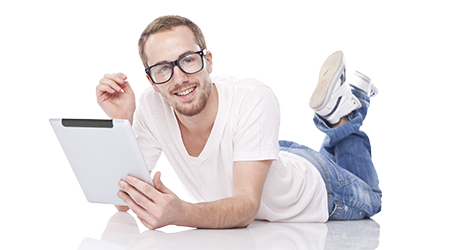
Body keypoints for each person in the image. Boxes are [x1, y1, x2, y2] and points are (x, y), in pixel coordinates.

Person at [96, 15, 382, 230]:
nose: (179, 77)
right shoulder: (149, 105)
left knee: (373, 199)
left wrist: (180, 212)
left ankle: (342, 115)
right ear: (151, 80)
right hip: (268, 155)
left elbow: (246, 207)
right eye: (163, 69)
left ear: (208, 60)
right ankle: (340, 109)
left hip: (319, 185)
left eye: (188, 60)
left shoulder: (253, 98)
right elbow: (122, 202)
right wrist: (123, 120)